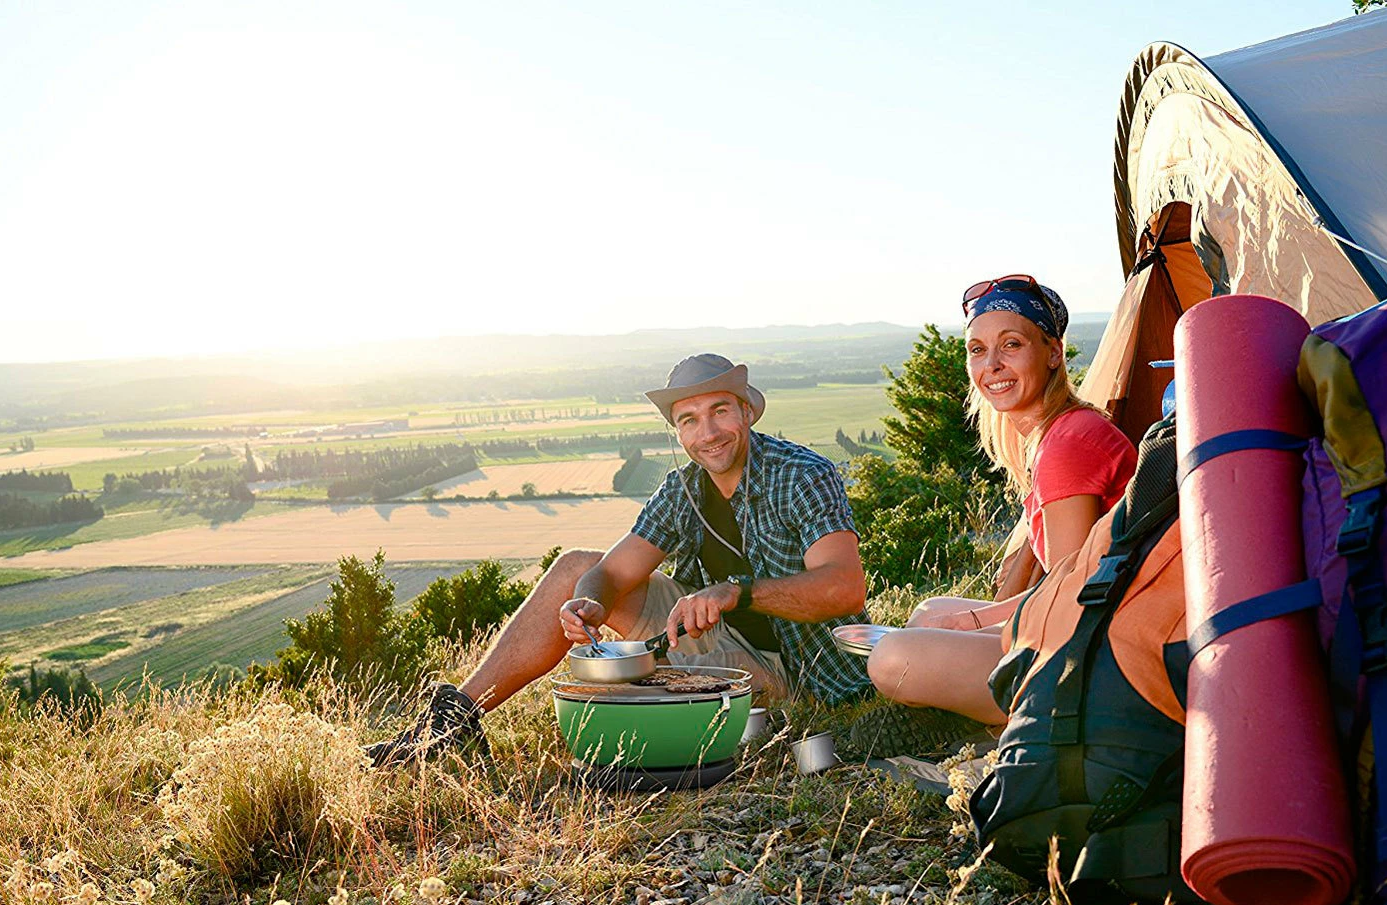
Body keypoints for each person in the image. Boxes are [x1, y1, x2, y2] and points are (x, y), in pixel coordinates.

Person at [365, 353, 872, 765]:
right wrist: (590, 603)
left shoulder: (801, 474)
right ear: (678, 432)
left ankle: (662, 718)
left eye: (719, 411)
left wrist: (734, 592)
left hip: (797, 669)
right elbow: (608, 572)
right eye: (689, 420)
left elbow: (844, 589)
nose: (708, 433)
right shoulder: (682, 490)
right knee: (574, 568)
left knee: (640, 690)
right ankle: (454, 719)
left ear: (746, 412)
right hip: (714, 640)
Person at [862, 276, 1136, 737]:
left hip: (1099, 654)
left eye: (1011, 344)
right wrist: (966, 622)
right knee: (928, 612)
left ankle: (1008, 721)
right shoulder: (1054, 435)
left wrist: (974, 620)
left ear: (1053, 353)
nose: (992, 365)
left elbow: (1069, 594)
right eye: (977, 350)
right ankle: (970, 710)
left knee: (892, 658)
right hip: (1087, 624)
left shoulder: (1069, 443)